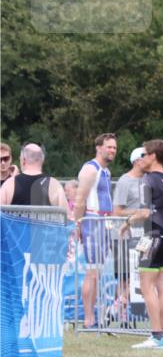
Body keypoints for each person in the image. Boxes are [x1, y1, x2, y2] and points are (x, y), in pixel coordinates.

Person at [130, 139, 163, 349]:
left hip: (152, 237)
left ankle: (156, 336)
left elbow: (144, 212)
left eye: (144, 154)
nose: (141, 158)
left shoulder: (146, 180)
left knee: (147, 287)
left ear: (153, 156)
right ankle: (160, 336)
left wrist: (127, 222)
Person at [73, 133, 118, 328]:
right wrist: (78, 225)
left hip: (105, 222)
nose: (112, 150)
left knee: (97, 272)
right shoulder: (90, 169)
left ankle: (92, 317)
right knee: (92, 272)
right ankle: (88, 319)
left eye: (114, 147)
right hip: (93, 221)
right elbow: (79, 201)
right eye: (109, 147)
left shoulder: (106, 171)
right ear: (98, 148)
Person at [111, 147, 153, 325]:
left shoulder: (149, 180)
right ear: (137, 160)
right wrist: (140, 212)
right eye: (145, 157)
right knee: (124, 277)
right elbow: (117, 211)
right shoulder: (124, 181)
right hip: (123, 234)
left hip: (143, 235)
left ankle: (118, 310)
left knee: (140, 274)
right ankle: (121, 316)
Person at [0, 143, 68, 208]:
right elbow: (66, 214)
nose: (2, 163)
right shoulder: (54, 185)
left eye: (6, 158)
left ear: (23, 160)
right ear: (42, 160)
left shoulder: (9, 185)